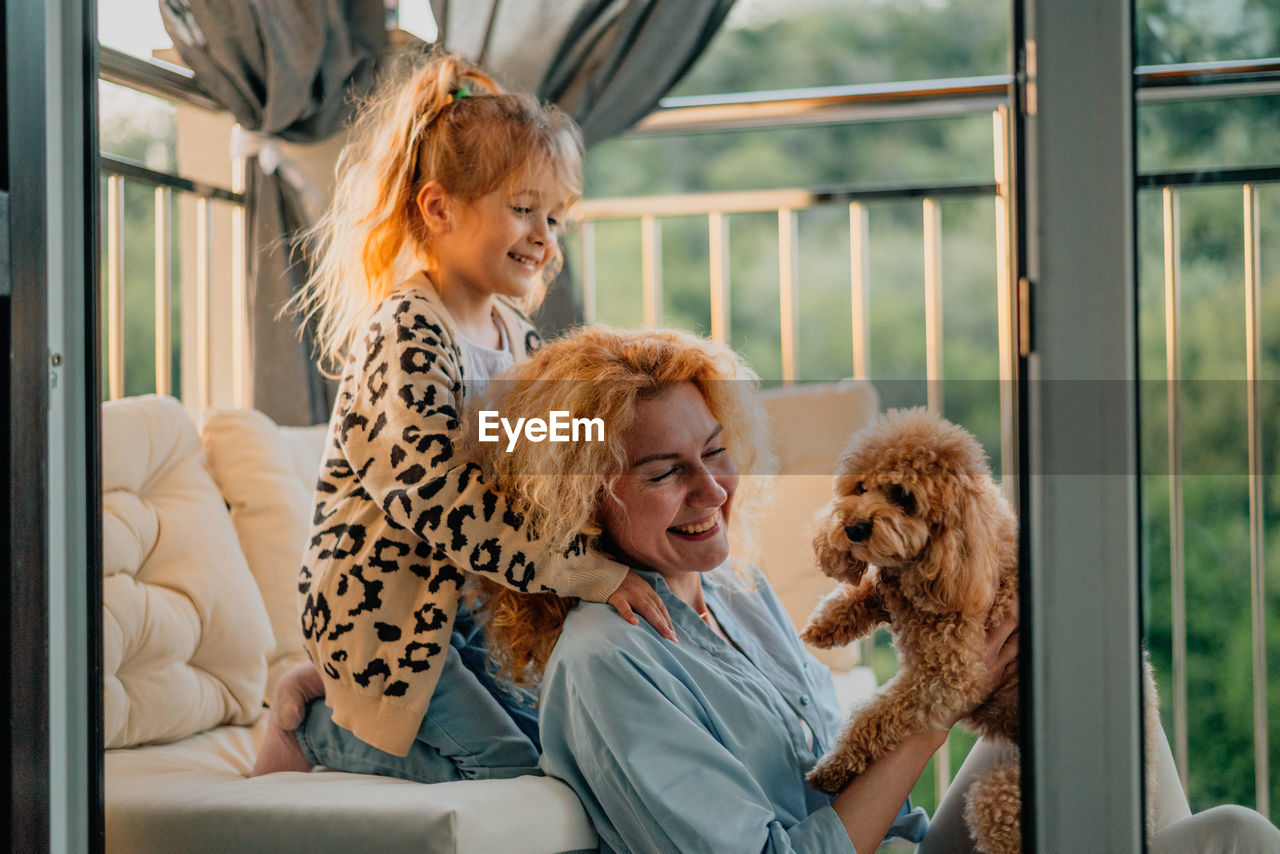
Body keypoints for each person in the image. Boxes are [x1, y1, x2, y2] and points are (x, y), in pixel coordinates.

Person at [468, 325, 1280, 854]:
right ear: (585, 495)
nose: (712, 490)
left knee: (1091, 677)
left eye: (715, 451)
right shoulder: (606, 665)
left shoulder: (735, 592)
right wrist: (933, 715)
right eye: (663, 473)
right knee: (1236, 838)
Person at [247, 49, 675, 782]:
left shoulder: (519, 341)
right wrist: (579, 572)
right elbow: (435, 498)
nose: (543, 235)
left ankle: (342, 699)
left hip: (475, 614)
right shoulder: (405, 332)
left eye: (555, 217)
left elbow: (531, 449)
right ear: (439, 208)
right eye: (521, 209)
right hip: (389, 621)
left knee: (561, 752)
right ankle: (320, 729)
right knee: (505, 767)